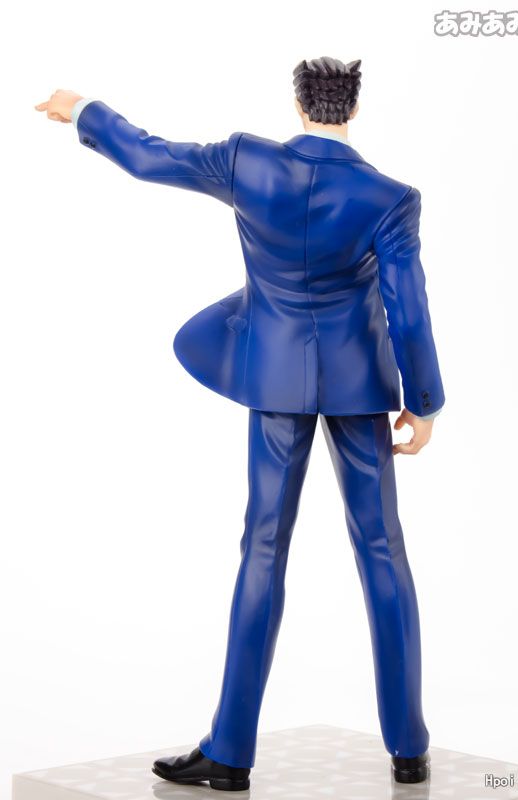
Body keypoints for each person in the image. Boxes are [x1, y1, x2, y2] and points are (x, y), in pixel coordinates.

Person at [36, 55, 444, 791]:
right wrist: (424, 400)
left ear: (298, 105)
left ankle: (229, 754)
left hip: (275, 379)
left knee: (262, 550)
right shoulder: (391, 198)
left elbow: (149, 157)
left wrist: (85, 108)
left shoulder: (248, 162)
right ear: (353, 109)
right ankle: (409, 749)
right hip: (359, 389)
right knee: (383, 551)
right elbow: (407, 308)